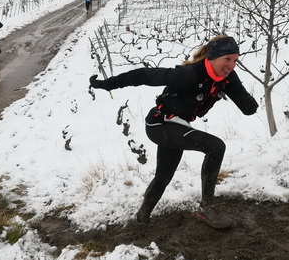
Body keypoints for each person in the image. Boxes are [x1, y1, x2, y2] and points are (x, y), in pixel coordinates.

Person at [89, 35, 258, 229]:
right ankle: (207, 206)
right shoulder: (189, 74)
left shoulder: (225, 77)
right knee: (216, 147)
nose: (231, 65)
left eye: (235, 60)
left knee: (163, 177)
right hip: (159, 124)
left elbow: (247, 106)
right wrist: (107, 84)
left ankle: (141, 219)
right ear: (212, 57)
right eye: (227, 59)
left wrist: (246, 101)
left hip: (179, 126)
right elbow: (144, 75)